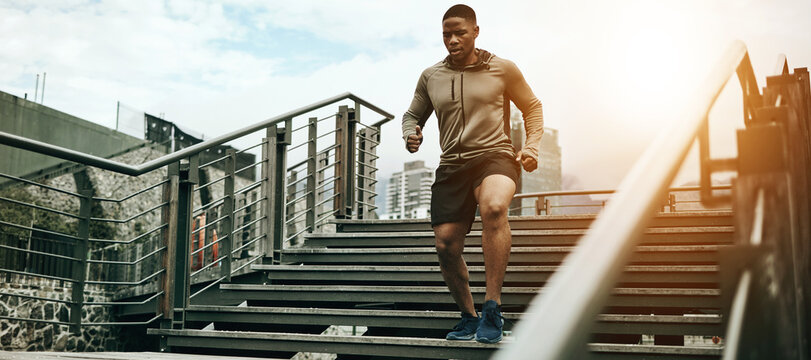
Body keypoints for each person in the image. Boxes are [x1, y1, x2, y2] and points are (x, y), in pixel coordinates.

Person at [402, 4, 544, 344]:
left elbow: (532, 107)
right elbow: (412, 114)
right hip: (452, 164)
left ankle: (492, 306)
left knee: (494, 206)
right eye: (446, 35)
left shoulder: (503, 69)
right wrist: (411, 133)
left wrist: (532, 147)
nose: (452, 40)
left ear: (476, 32)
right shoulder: (431, 75)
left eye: (459, 33)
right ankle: (469, 316)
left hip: (495, 155)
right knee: (446, 245)